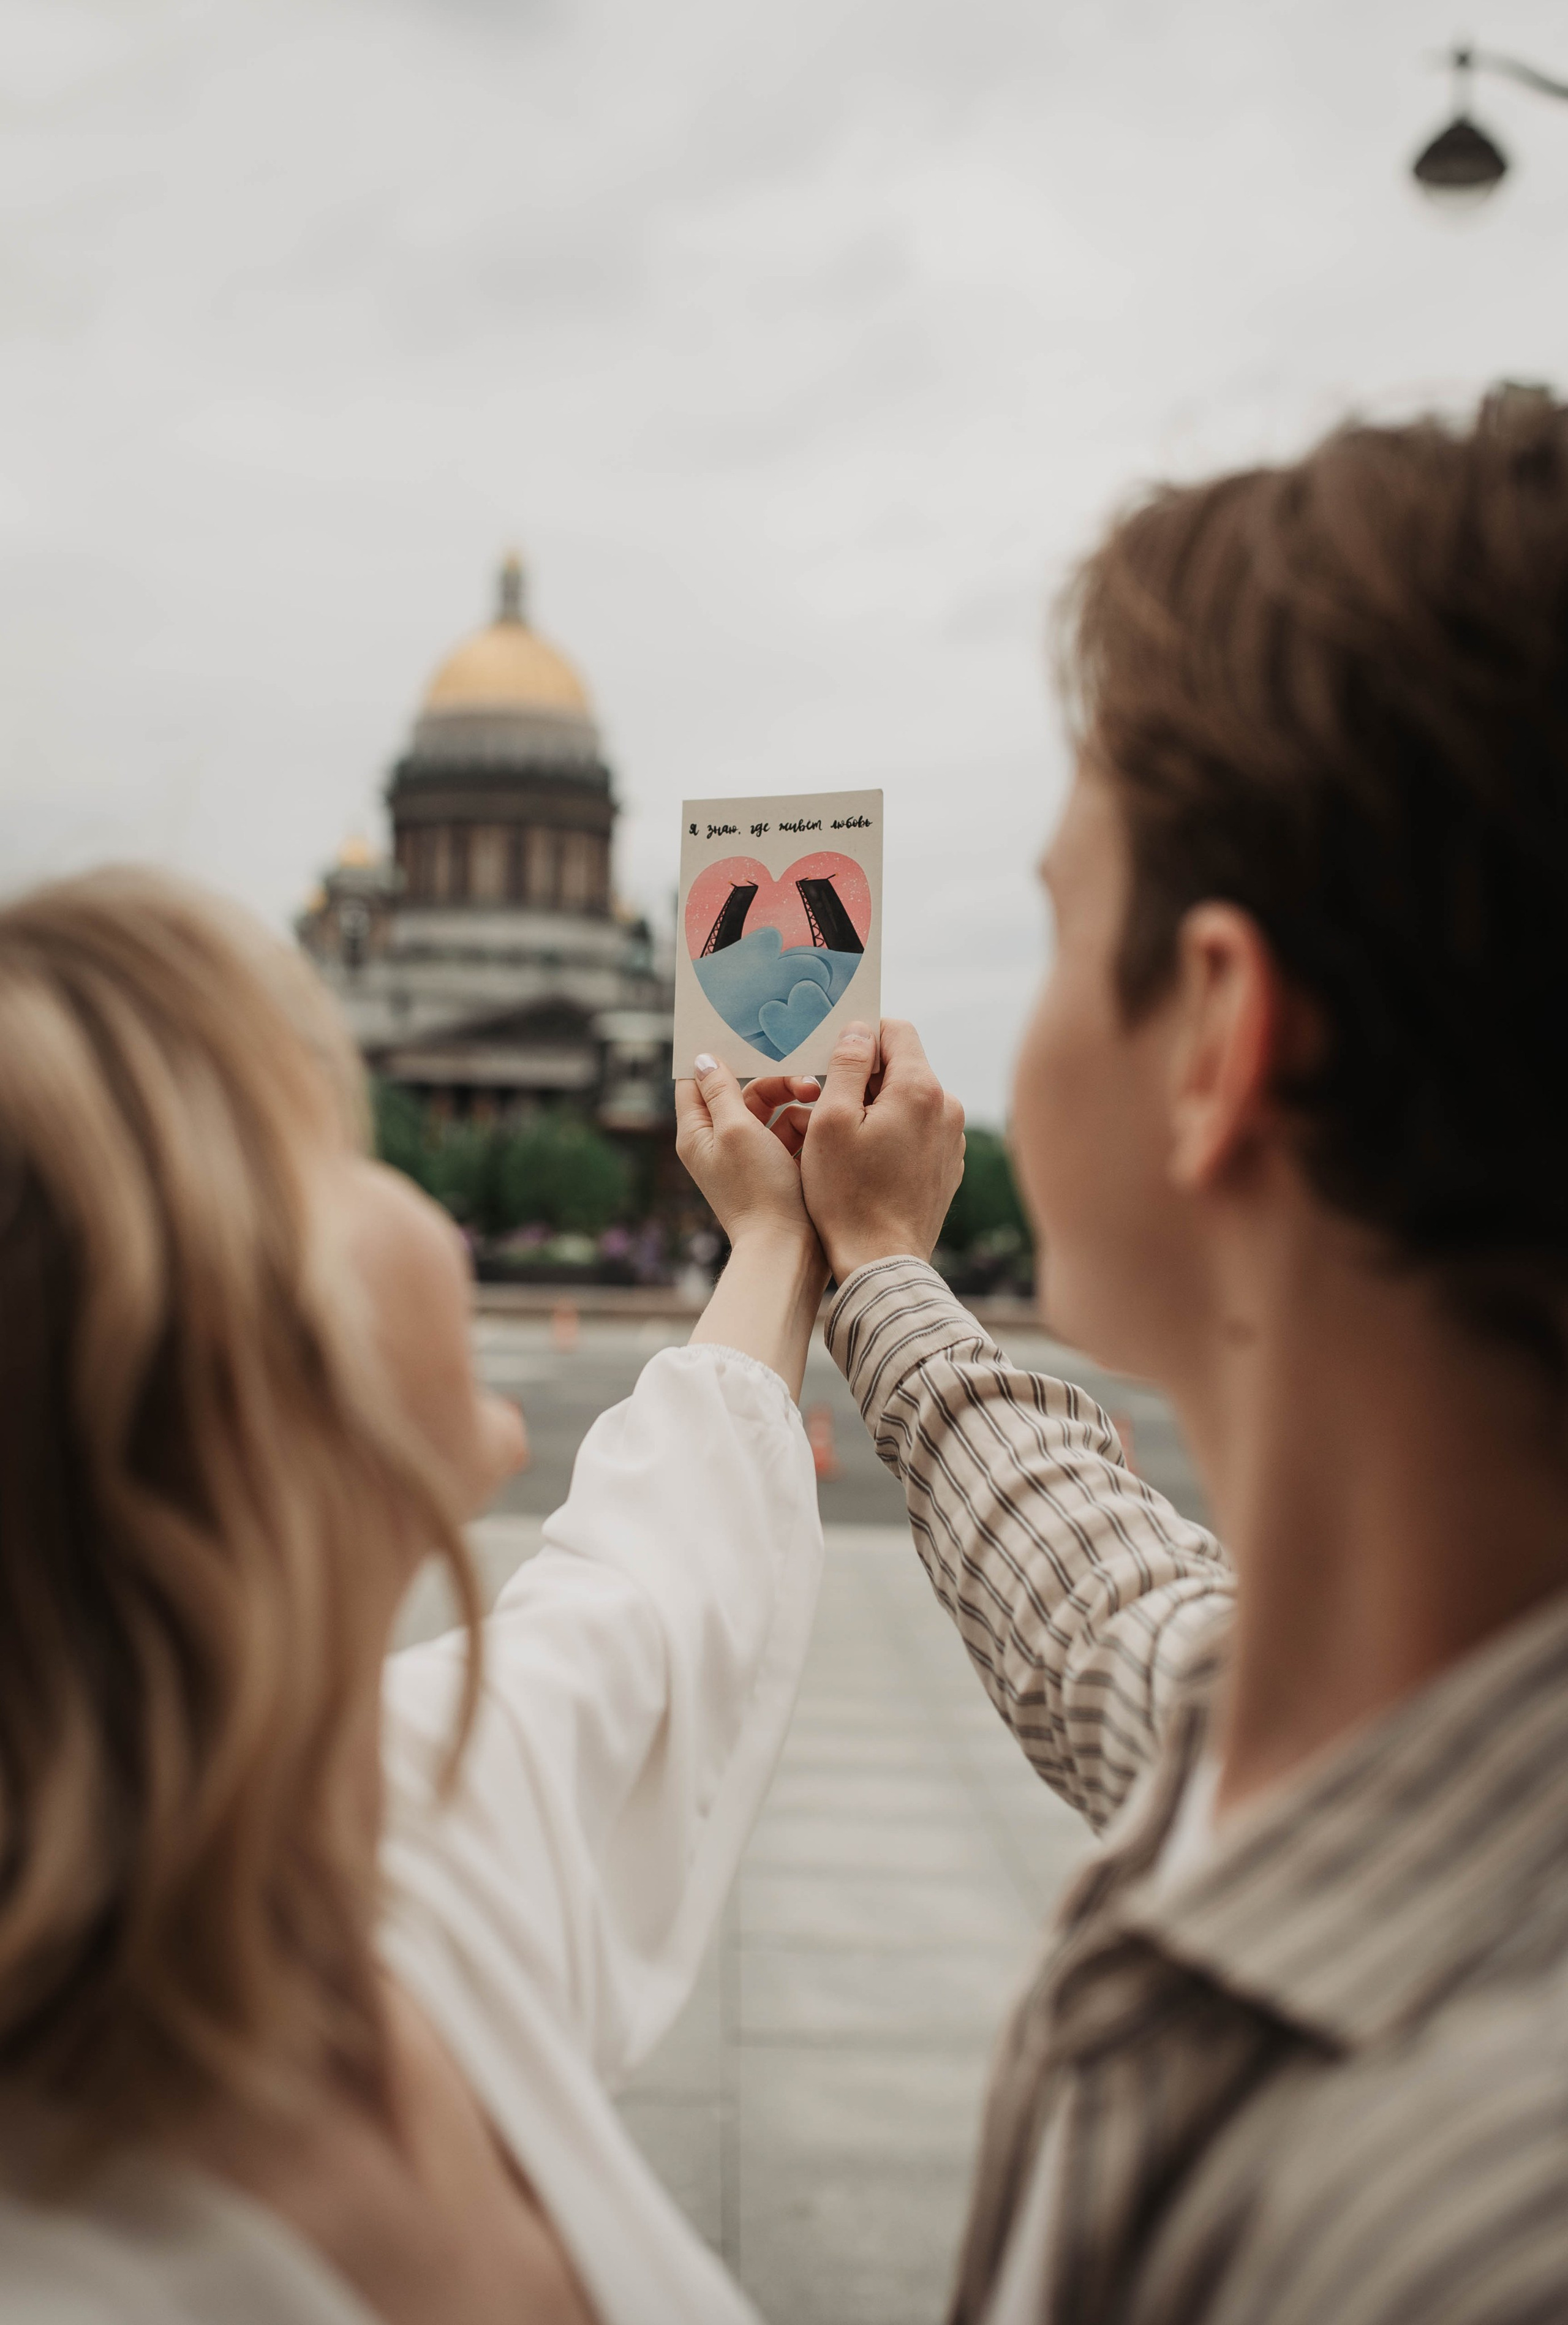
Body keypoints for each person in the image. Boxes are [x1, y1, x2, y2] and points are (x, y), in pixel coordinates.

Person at [695, 390, 1568, 2323]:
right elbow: (1110, 1607)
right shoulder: (1320, 1721)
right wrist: (876, 1269)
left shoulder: (1463, 2218)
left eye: (1061, 921)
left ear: (1215, 1033)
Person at [0, 867, 834, 2324]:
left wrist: (779, 1234)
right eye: (317, 1136)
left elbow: (656, 1577)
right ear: (215, 1365)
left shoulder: (342, 1821)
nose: (398, 1167)